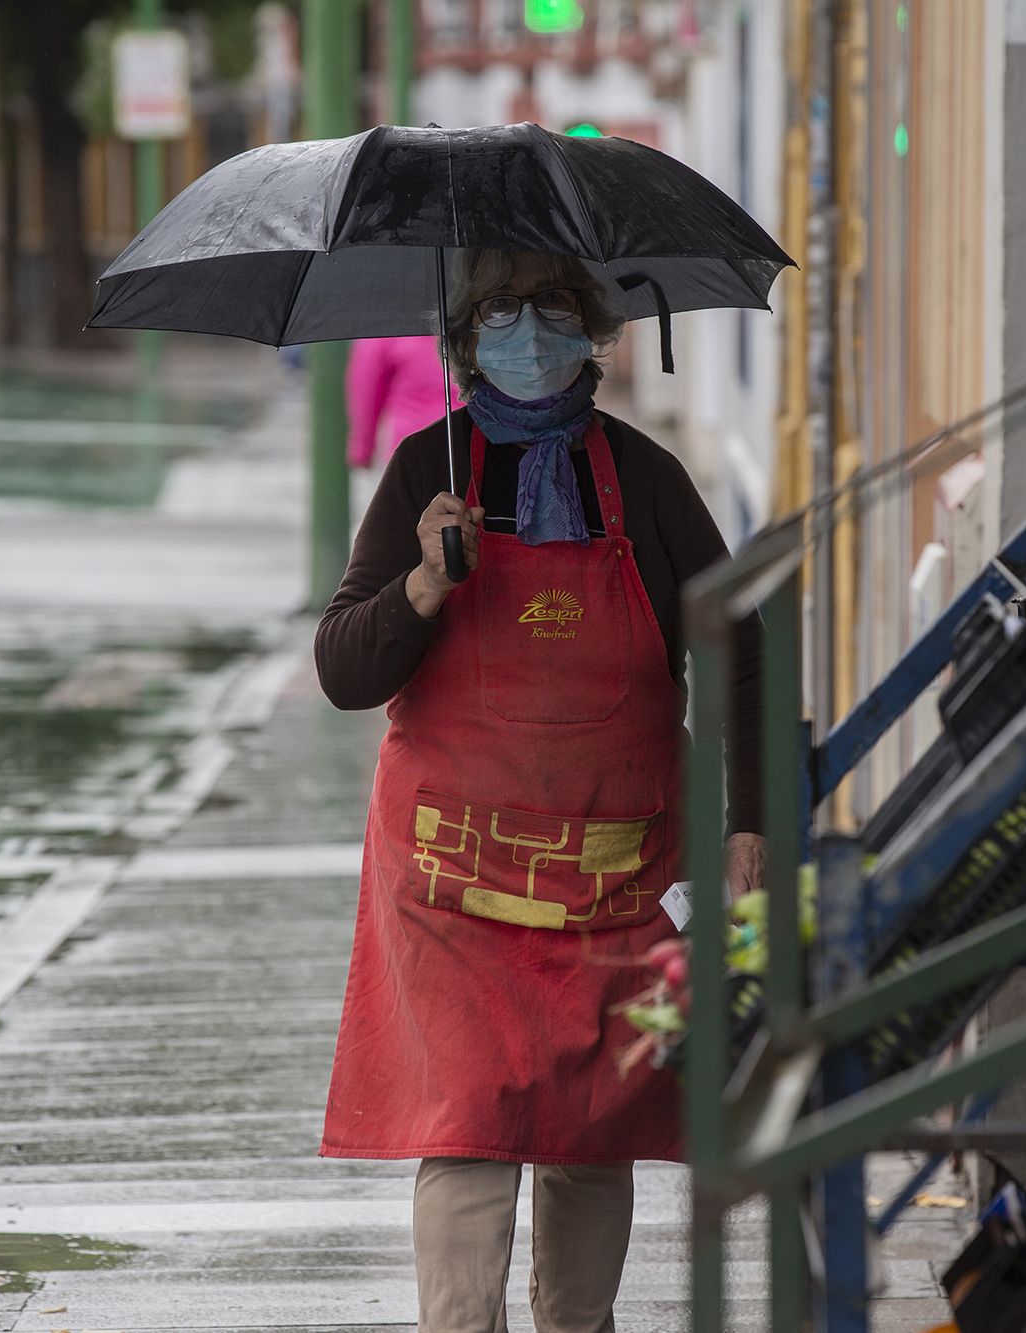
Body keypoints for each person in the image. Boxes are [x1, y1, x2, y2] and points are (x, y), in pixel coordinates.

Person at [314, 248, 762, 1332]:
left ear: (593, 329)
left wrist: (748, 820)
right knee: (465, 1127)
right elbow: (343, 668)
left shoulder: (646, 480)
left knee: (589, 1131)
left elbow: (740, 652)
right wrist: (420, 585)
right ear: (465, 339)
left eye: (551, 306)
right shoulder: (428, 470)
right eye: (501, 309)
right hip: (450, 885)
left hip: (616, 875)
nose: (527, 328)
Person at [345, 335, 454, 527]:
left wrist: (362, 448)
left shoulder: (386, 325)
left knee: (402, 527)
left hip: (408, 449)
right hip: (463, 441)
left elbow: (366, 387)